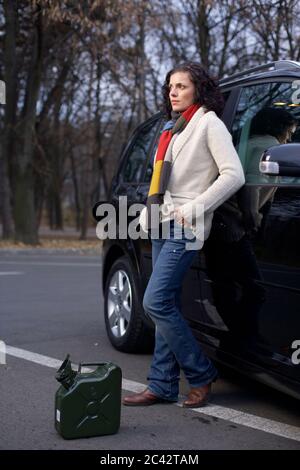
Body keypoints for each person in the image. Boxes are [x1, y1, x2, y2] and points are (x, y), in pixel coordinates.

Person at [123, 62, 245, 408]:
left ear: (199, 90)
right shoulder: (173, 128)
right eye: (170, 86)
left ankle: (201, 373)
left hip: (186, 226)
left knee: (154, 302)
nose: (173, 92)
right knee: (166, 304)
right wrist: (150, 215)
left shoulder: (208, 124)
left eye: (181, 86)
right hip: (163, 223)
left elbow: (233, 175)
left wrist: (194, 209)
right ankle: (161, 383)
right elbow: (161, 182)